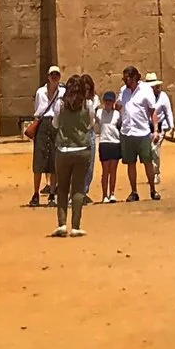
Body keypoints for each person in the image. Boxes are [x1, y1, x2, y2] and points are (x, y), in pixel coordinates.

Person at [48, 74, 96, 238]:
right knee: (78, 189)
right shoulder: (88, 104)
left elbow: (55, 124)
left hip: (63, 150)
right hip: (82, 149)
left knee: (62, 187)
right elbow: (91, 124)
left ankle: (62, 224)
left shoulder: (60, 105)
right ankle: (76, 226)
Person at [117, 65, 161, 201]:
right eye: (124, 78)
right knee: (130, 163)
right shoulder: (123, 91)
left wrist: (156, 130)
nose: (125, 81)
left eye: (127, 78)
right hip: (127, 132)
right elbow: (118, 105)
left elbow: (152, 111)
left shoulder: (146, 90)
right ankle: (134, 191)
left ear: (135, 77)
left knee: (147, 161)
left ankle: (153, 189)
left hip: (142, 132)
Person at [24, 66, 64, 207]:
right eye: (52, 75)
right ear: (48, 77)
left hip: (56, 124)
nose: (54, 78)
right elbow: (38, 110)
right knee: (39, 160)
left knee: (54, 160)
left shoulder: (62, 92)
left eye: (57, 75)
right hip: (42, 124)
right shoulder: (40, 92)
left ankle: (52, 194)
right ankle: (35, 194)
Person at [96, 88, 124, 202]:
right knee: (105, 171)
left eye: (110, 101)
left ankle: (112, 193)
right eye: (106, 101)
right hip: (104, 142)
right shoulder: (98, 113)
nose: (108, 103)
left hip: (115, 143)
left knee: (113, 171)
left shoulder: (117, 114)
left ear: (113, 102)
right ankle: (104, 195)